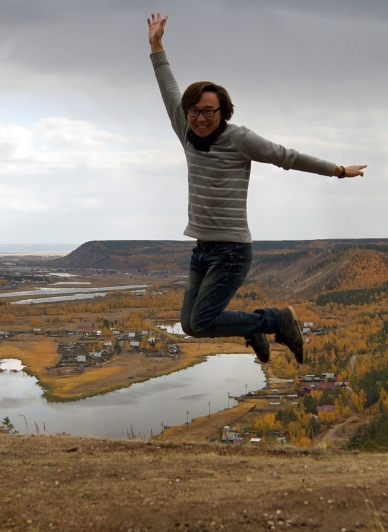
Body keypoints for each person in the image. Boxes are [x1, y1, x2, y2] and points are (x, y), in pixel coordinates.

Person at [147, 13, 366, 365]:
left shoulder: (239, 139)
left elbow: (287, 157)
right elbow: (167, 87)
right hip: (202, 250)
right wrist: (156, 45)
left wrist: (338, 171)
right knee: (190, 325)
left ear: (223, 112)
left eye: (208, 112)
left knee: (202, 322)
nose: (200, 118)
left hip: (231, 251)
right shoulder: (186, 130)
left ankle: (276, 320)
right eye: (194, 112)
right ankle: (252, 328)